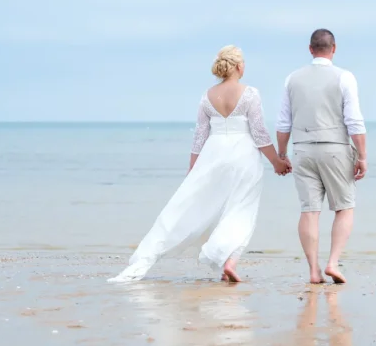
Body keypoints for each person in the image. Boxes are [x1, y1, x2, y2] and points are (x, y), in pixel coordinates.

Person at [109, 45, 290, 284]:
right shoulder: (250, 94)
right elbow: (259, 133)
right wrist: (276, 161)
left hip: (213, 155)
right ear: (238, 66)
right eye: (243, 62)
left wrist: (193, 168)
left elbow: (199, 137)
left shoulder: (208, 95)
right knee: (241, 208)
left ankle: (177, 253)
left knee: (196, 205)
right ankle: (227, 260)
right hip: (243, 155)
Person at [276, 29, 368, 284]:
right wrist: (362, 156)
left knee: (309, 211)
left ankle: (314, 271)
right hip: (335, 147)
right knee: (345, 207)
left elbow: (284, 123)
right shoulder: (344, 77)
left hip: (303, 148)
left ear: (310, 49)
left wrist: (282, 155)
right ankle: (333, 262)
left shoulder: (292, 79)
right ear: (334, 49)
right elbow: (354, 121)